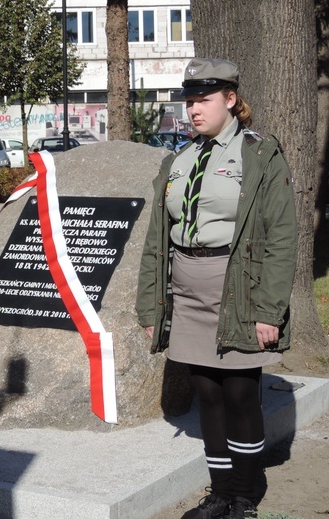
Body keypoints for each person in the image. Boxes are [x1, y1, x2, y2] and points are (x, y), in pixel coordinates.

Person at [136, 58, 297, 519]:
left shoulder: (259, 153)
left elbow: (282, 235)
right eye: (189, 101)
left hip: (238, 287)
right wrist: (152, 308)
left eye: (204, 100)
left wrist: (270, 309)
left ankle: (245, 496)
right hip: (185, 289)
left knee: (241, 393)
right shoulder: (179, 158)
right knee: (206, 392)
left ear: (231, 99)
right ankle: (221, 491)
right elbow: (156, 239)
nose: (194, 110)